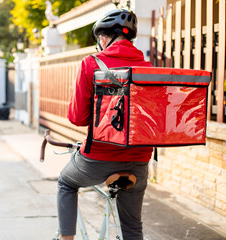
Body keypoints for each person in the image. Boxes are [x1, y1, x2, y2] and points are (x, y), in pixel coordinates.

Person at [57, 9, 153, 240]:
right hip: (139, 159)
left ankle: (66, 238)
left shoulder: (91, 63)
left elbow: (78, 118)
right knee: (132, 227)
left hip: (98, 158)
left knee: (66, 184)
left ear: (103, 38)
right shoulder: (149, 68)